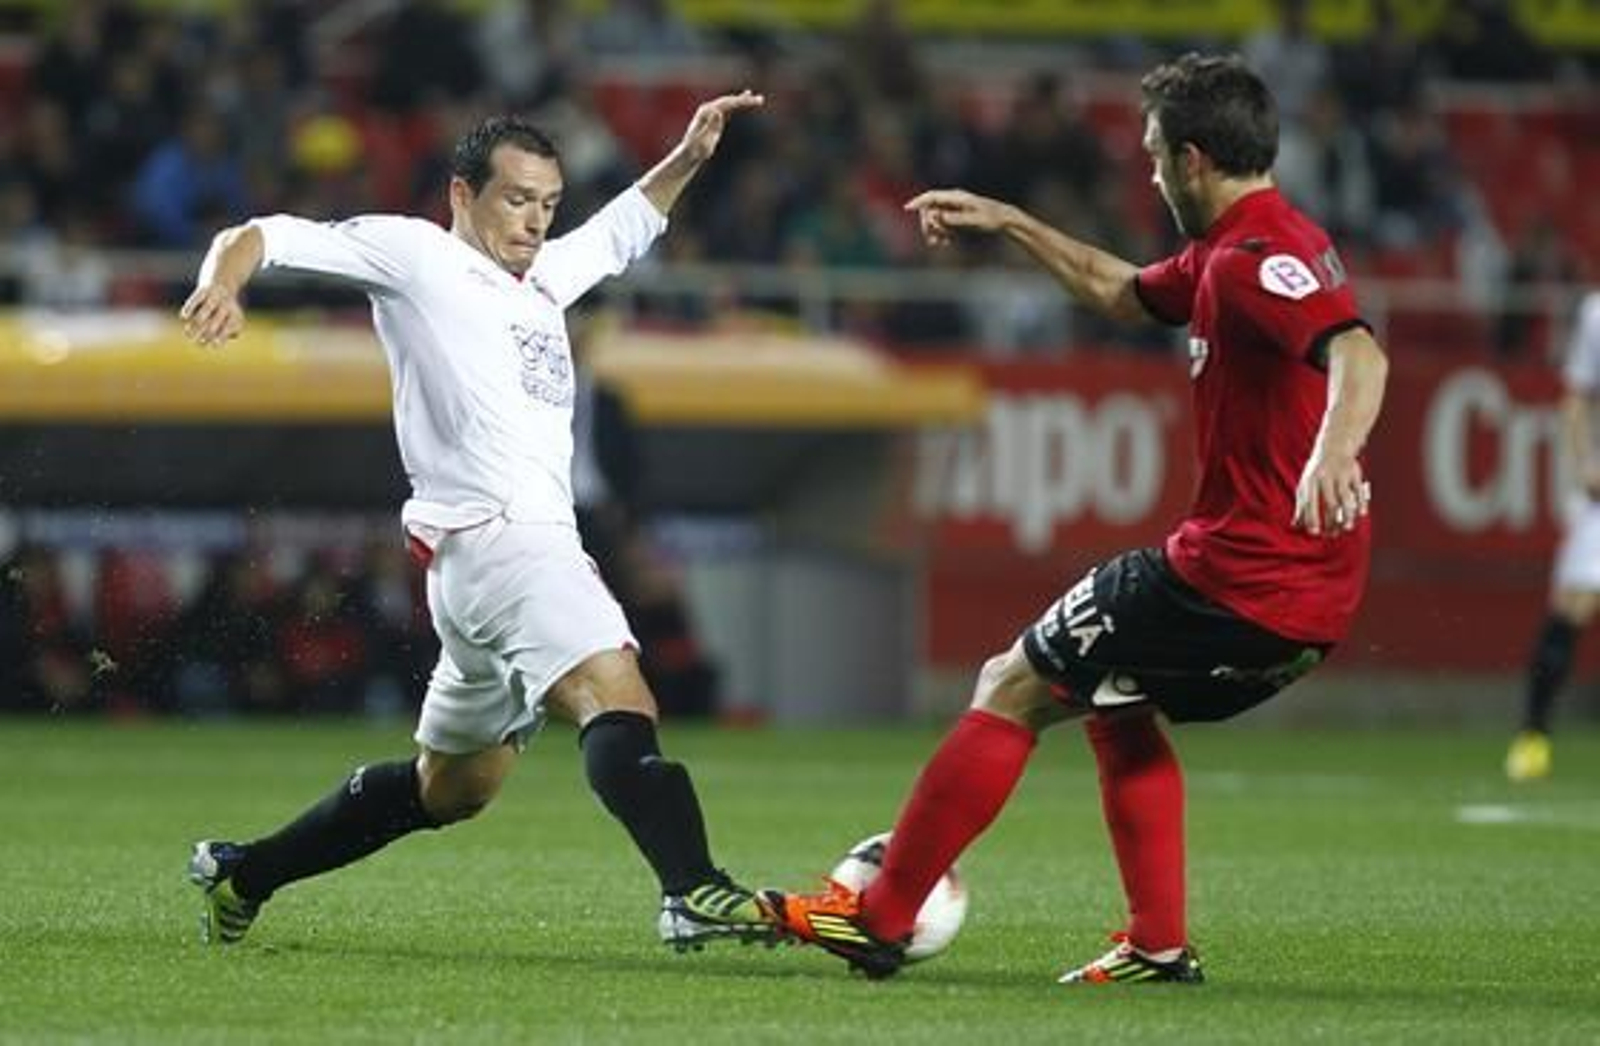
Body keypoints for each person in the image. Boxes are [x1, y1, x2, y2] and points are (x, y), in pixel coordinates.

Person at [763, 53, 1389, 985]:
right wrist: (1011, 221)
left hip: (1236, 576)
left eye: (1150, 157)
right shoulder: (1236, 247)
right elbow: (1121, 292)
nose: (1145, 174)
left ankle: (881, 916)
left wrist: (1335, 449)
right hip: (1308, 605)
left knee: (1012, 681)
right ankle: (1159, 947)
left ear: (1192, 158)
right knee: (1115, 700)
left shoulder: (1264, 259)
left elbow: (1359, 352)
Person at [178, 91, 774, 951]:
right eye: (515, 199)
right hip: (507, 544)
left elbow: (619, 230)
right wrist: (221, 284)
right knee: (617, 692)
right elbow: (265, 233)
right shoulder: (417, 255)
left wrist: (687, 156)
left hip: (475, 573)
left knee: (450, 789)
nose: (533, 222)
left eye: (545, 204)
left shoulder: (541, 284)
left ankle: (245, 877)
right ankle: (691, 888)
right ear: (462, 194)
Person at [1505, 292, 1600, 782]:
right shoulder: (1596, 313)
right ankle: (1533, 736)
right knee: (1570, 606)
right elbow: (1577, 398)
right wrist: (1584, 463)